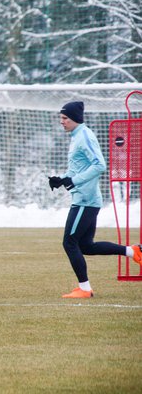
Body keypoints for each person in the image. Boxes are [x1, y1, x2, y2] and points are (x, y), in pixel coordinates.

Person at [49, 101, 142, 298]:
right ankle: (132, 251)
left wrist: (74, 180)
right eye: (61, 118)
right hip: (85, 198)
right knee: (86, 246)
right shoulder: (76, 136)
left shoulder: (84, 136)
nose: (61, 122)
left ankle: (84, 289)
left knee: (69, 243)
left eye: (64, 118)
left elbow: (99, 165)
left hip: (85, 199)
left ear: (75, 118)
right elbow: (78, 167)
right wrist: (62, 179)